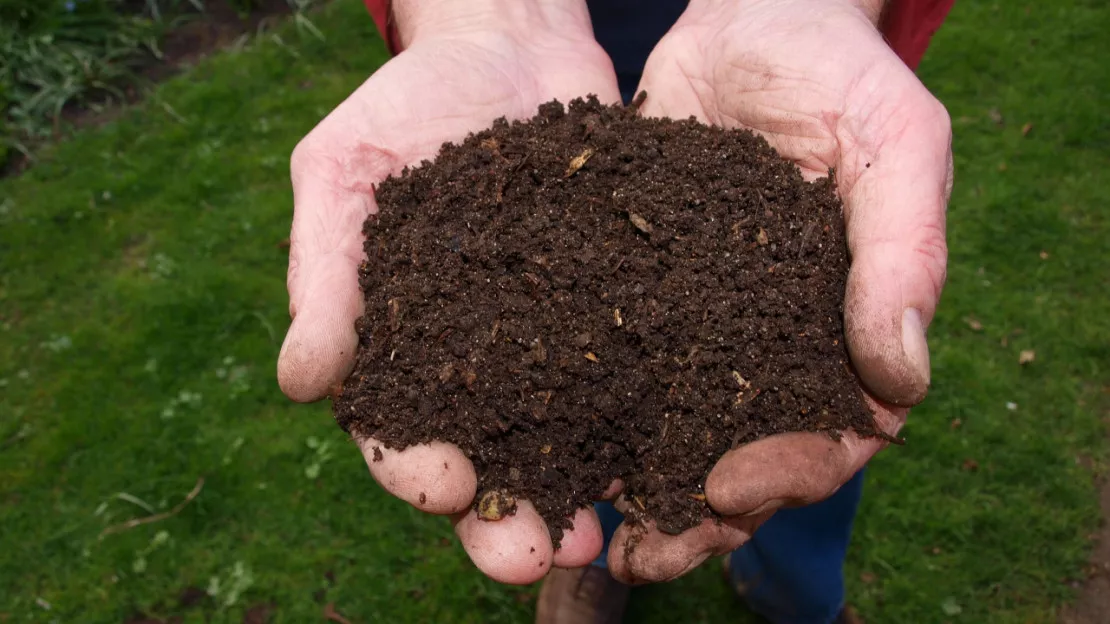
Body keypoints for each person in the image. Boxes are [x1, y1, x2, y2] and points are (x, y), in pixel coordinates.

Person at [277, 1, 954, 622]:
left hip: (753, 58)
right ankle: (599, 560)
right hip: (541, 44)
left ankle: (796, 593)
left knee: (802, 446)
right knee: (594, 439)